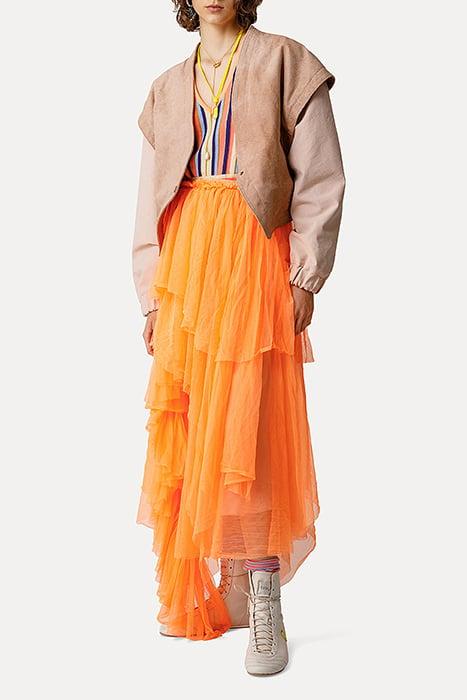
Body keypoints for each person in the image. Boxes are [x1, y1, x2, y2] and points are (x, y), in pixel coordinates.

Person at [132, 0, 345, 676]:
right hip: (188, 265)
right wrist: (152, 294)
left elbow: (319, 178)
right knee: (197, 423)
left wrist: (304, 276)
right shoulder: (167, 87)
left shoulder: (285, 61)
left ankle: (262, 595)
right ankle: (222, 581)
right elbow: (150, 200)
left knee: (250, 426)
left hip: (256, 256)